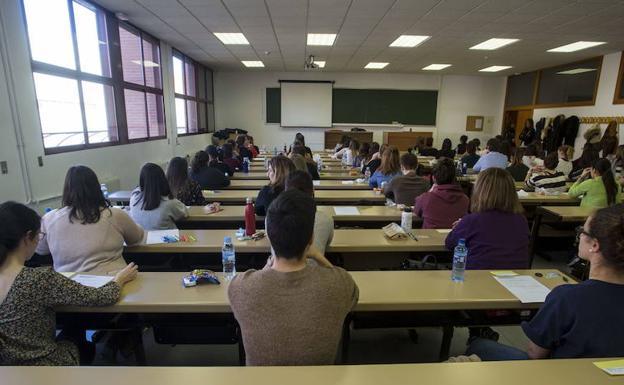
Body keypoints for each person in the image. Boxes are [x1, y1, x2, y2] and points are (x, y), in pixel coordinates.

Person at [467, 204, 624, 360]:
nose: (580, 235)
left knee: (479, 346)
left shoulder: (567, 298)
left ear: (595, 245)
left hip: (561, 378)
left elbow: (535, 354)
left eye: (582, 231)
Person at [228, 190, 358, 366]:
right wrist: (319, 257)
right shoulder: (341, 284)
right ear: (311, 239)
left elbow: (260, 278)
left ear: (270, 239)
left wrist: (270, 262)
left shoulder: (240, 287)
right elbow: (352, 294)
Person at [0, 201, 138, 365]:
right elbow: (101, 297)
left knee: (70, 325)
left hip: (8, 370)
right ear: (27, 237)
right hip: (45, 365)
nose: (39, 241)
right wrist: (119, 279)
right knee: (82, 341)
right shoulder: (37, 279)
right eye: (39, 236)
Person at [36, 166, 144, 273]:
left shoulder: (49, 219)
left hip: (69, 285)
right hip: (114, 280)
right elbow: (135, 239)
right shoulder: (114, 214)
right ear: (96, 188)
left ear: (67, 189)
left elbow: (41, 250)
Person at [445, 168, 529, 269]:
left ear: (479, 191)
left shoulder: (472, 221)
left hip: (478, 280)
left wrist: (460, 227)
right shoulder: (521, 220)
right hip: (516, 280)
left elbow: (450, 243)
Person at [285, 171, 334, 254]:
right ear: (312, 191)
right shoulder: (325, 219)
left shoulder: (272, 218)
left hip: (278, 266)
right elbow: (327, 242)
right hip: (316, 265)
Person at [130, 163, 188, 230]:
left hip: (143, 239)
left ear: (142, 181)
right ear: (162, 179)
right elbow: (185, 213)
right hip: (168, 239)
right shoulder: (169, 203)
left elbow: (139, 189)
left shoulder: (134, 199)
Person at [414, 158, 469, 229]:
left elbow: (416, 211)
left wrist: (430, 191)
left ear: (434, 178)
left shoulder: (426, 198)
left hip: (430, 238)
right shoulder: (465, 199)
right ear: (454, 178)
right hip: (453, 239)